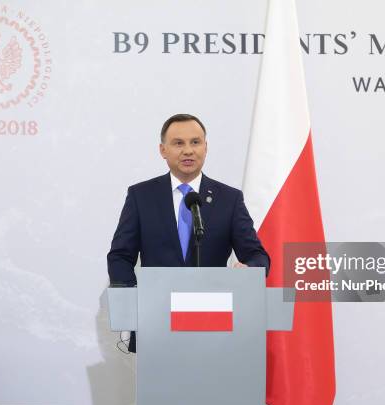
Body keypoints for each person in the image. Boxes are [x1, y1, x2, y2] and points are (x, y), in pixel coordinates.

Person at [107, 113, 270, 352]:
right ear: (163, 150)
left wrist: (249, 271)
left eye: (195, 142)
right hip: (156, 323)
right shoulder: (141, 196)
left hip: (215, 325)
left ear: (206, 147)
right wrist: (132, 301)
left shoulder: (229, 199)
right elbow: (120, 256)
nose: (188, 151)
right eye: (178, 143)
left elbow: (258, 256)